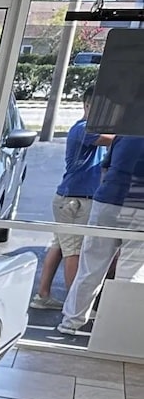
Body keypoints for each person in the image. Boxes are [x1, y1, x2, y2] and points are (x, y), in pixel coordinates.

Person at [31, 88, 110, 310]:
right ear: (87, 106)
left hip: (69, 199)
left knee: (59, 246)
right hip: (75, 201)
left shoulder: (86, 129)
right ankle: (75, 306)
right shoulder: (84, 129)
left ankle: (43, 295)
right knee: (73, 251)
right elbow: (112, 140)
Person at [59, 133, 144, 336]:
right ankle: (117, 330)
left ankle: (71, 322)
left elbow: (105, 168)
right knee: (130, 272)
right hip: (140, 204)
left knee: (91, 267)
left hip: (108, 200)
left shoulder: (126, 134)